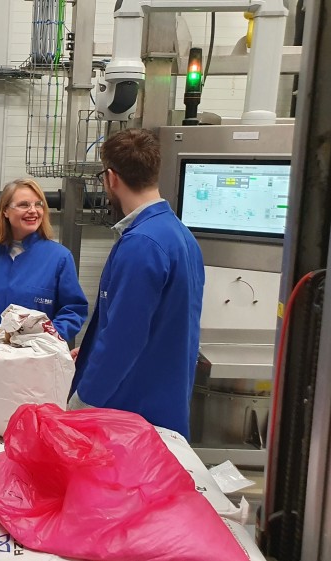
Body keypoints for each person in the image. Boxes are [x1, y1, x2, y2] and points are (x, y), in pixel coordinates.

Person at [68, 128, 205, 438]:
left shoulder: (142, 244)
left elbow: (122, 339)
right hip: (162, 408)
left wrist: (79, 406)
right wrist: (89, 353)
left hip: (133, 418)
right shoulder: (179, 235)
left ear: (111, 178)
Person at [0, 178, 88, 351]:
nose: (33, 211)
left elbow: (73, 310)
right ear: (5, 211)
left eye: (38, 204)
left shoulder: (59, 258)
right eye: (24, 205)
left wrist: (51, 336)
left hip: (39, 360)